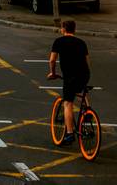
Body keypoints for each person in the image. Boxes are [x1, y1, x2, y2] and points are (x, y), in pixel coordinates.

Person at [47, 18, 91, 146]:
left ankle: (70, 133)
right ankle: (87, 110)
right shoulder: (82, 42)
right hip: (84, 74)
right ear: (74, 29)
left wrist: (53, 73)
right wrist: (86, 74)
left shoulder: (59, 41)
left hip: (70, 76)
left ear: (63, 29)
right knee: (82, 88)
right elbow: (87, 61)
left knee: (68, 103)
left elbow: (52, 60)